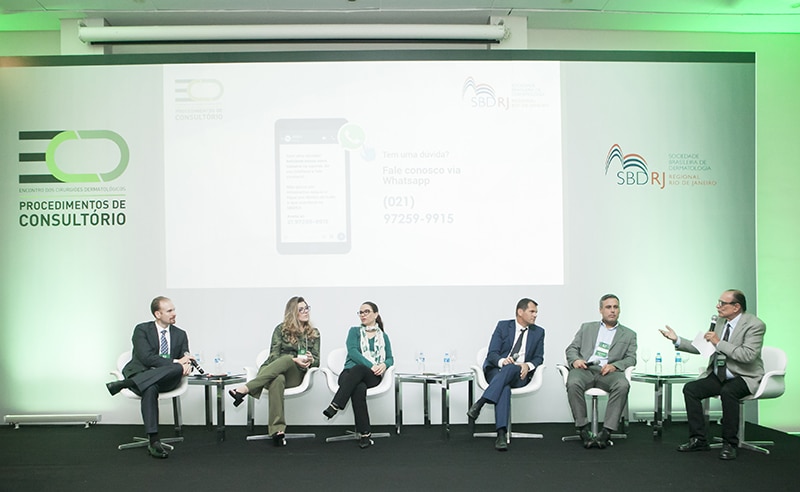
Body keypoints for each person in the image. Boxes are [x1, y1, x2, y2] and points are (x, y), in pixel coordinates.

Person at [659, 289, 765, 460]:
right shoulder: (721, 322)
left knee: (728, 392)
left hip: (743, 376)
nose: (718, 306)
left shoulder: (755, 325)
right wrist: (677, 340)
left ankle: (729, 443)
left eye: (722, 303)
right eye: (718, 302)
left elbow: (747, 355)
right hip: (719, 375)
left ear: (736, 307)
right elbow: (704, 347)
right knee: (691, 389)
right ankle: (698, 439)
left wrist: (718, 342)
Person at [105, 296, 195, 459]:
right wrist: (176, 362)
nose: (174, 313)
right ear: (157, 314)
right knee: (150, 386)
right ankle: (154, 441)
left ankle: (126, 383)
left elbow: (185, 357)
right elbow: (146, 358)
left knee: (176, 368)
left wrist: (187, 364)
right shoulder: (142, 330)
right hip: (142, 372)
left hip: (166, 380)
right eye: (169, 311)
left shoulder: (180, 334)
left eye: (174, 309)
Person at [228, 296, 320, 447]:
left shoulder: (314, 333)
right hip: (271, 370)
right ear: (293, 313)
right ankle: (277, 431)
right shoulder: (281, 329)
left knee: (287, 360)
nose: (305, 311)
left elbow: (317, 361)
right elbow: (274, 356)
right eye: (301, 309)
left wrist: (310, 359)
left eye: (306, 308)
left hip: (296, 375)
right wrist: (293, 359)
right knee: (278, 379)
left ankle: (245, 389)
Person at [467, 298, 545, 451]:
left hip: (520, 374)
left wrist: (527, 365)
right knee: (504, 386)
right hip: (497, 371)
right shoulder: (503, 326)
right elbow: (492, 354)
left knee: (512, 369)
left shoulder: (539, 332)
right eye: (532, 311)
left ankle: (481, 403)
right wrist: (503, 361)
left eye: (536, 312)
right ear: (520, 312)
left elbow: (538, 358)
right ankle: (501, 434)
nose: (535, 315)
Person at [564, 294, 637, 449]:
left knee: (622, 385)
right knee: (573, 382)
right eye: (608, 307)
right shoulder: (587, 328)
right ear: (601, 310)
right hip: (586, 369)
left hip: (609, 372)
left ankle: (606, 432)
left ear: (619, 310)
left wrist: (615, 366)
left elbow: (631, 359)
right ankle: (583, 430)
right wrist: (576, 360)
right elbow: (572, 349)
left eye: (615, 307)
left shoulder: (629, 334)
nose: (612, 310)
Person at [322, 301, 394, 449]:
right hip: (348, 374)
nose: (363, 315)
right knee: (358, 388)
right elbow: (353, 352)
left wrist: (384, 365)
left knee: (360, 369)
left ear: (375, 314)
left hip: (371, 376)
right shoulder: (354, 331)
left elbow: (390, 358)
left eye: (366, 311)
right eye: (360, 312)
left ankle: (335, 404)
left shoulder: (383, 336)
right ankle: (365, 434)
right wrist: (371, 364)